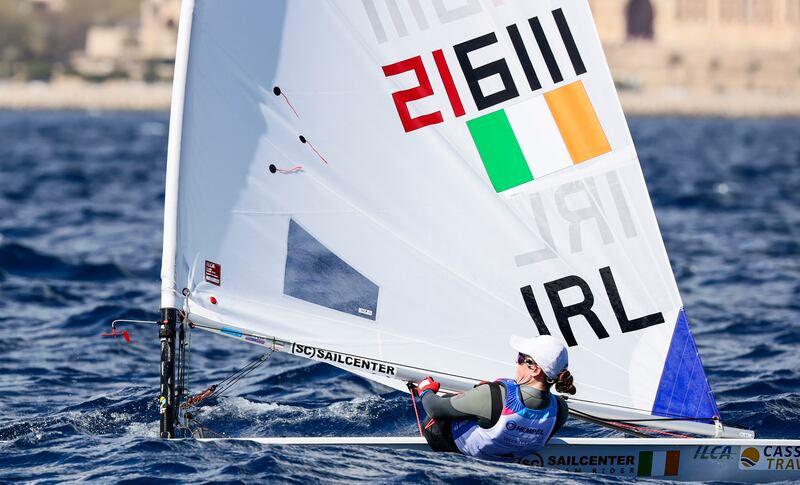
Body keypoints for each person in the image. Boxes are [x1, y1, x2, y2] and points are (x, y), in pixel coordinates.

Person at [415, 334, 575, 462]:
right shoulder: (561, 409)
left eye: (520, 359)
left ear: (535, 370)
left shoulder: (494, 394)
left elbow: (435, 409)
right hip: (507, 462)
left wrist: (425, 391)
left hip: (456, 451)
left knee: (447, 404)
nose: (515, 361)